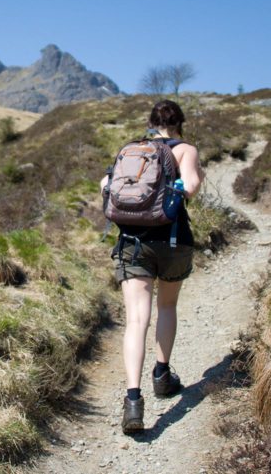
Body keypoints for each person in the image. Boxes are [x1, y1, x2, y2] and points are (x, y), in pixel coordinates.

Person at [100, 100, 204, 434]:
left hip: (132, 241)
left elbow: (106, 187)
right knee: (168, 305)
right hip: (173, 240)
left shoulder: (132, 149)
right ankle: (162, 374)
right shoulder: (185, 149)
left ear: (151, 122)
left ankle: (133, 401)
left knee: (136, 320)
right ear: (180, 123)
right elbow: (191, 187)